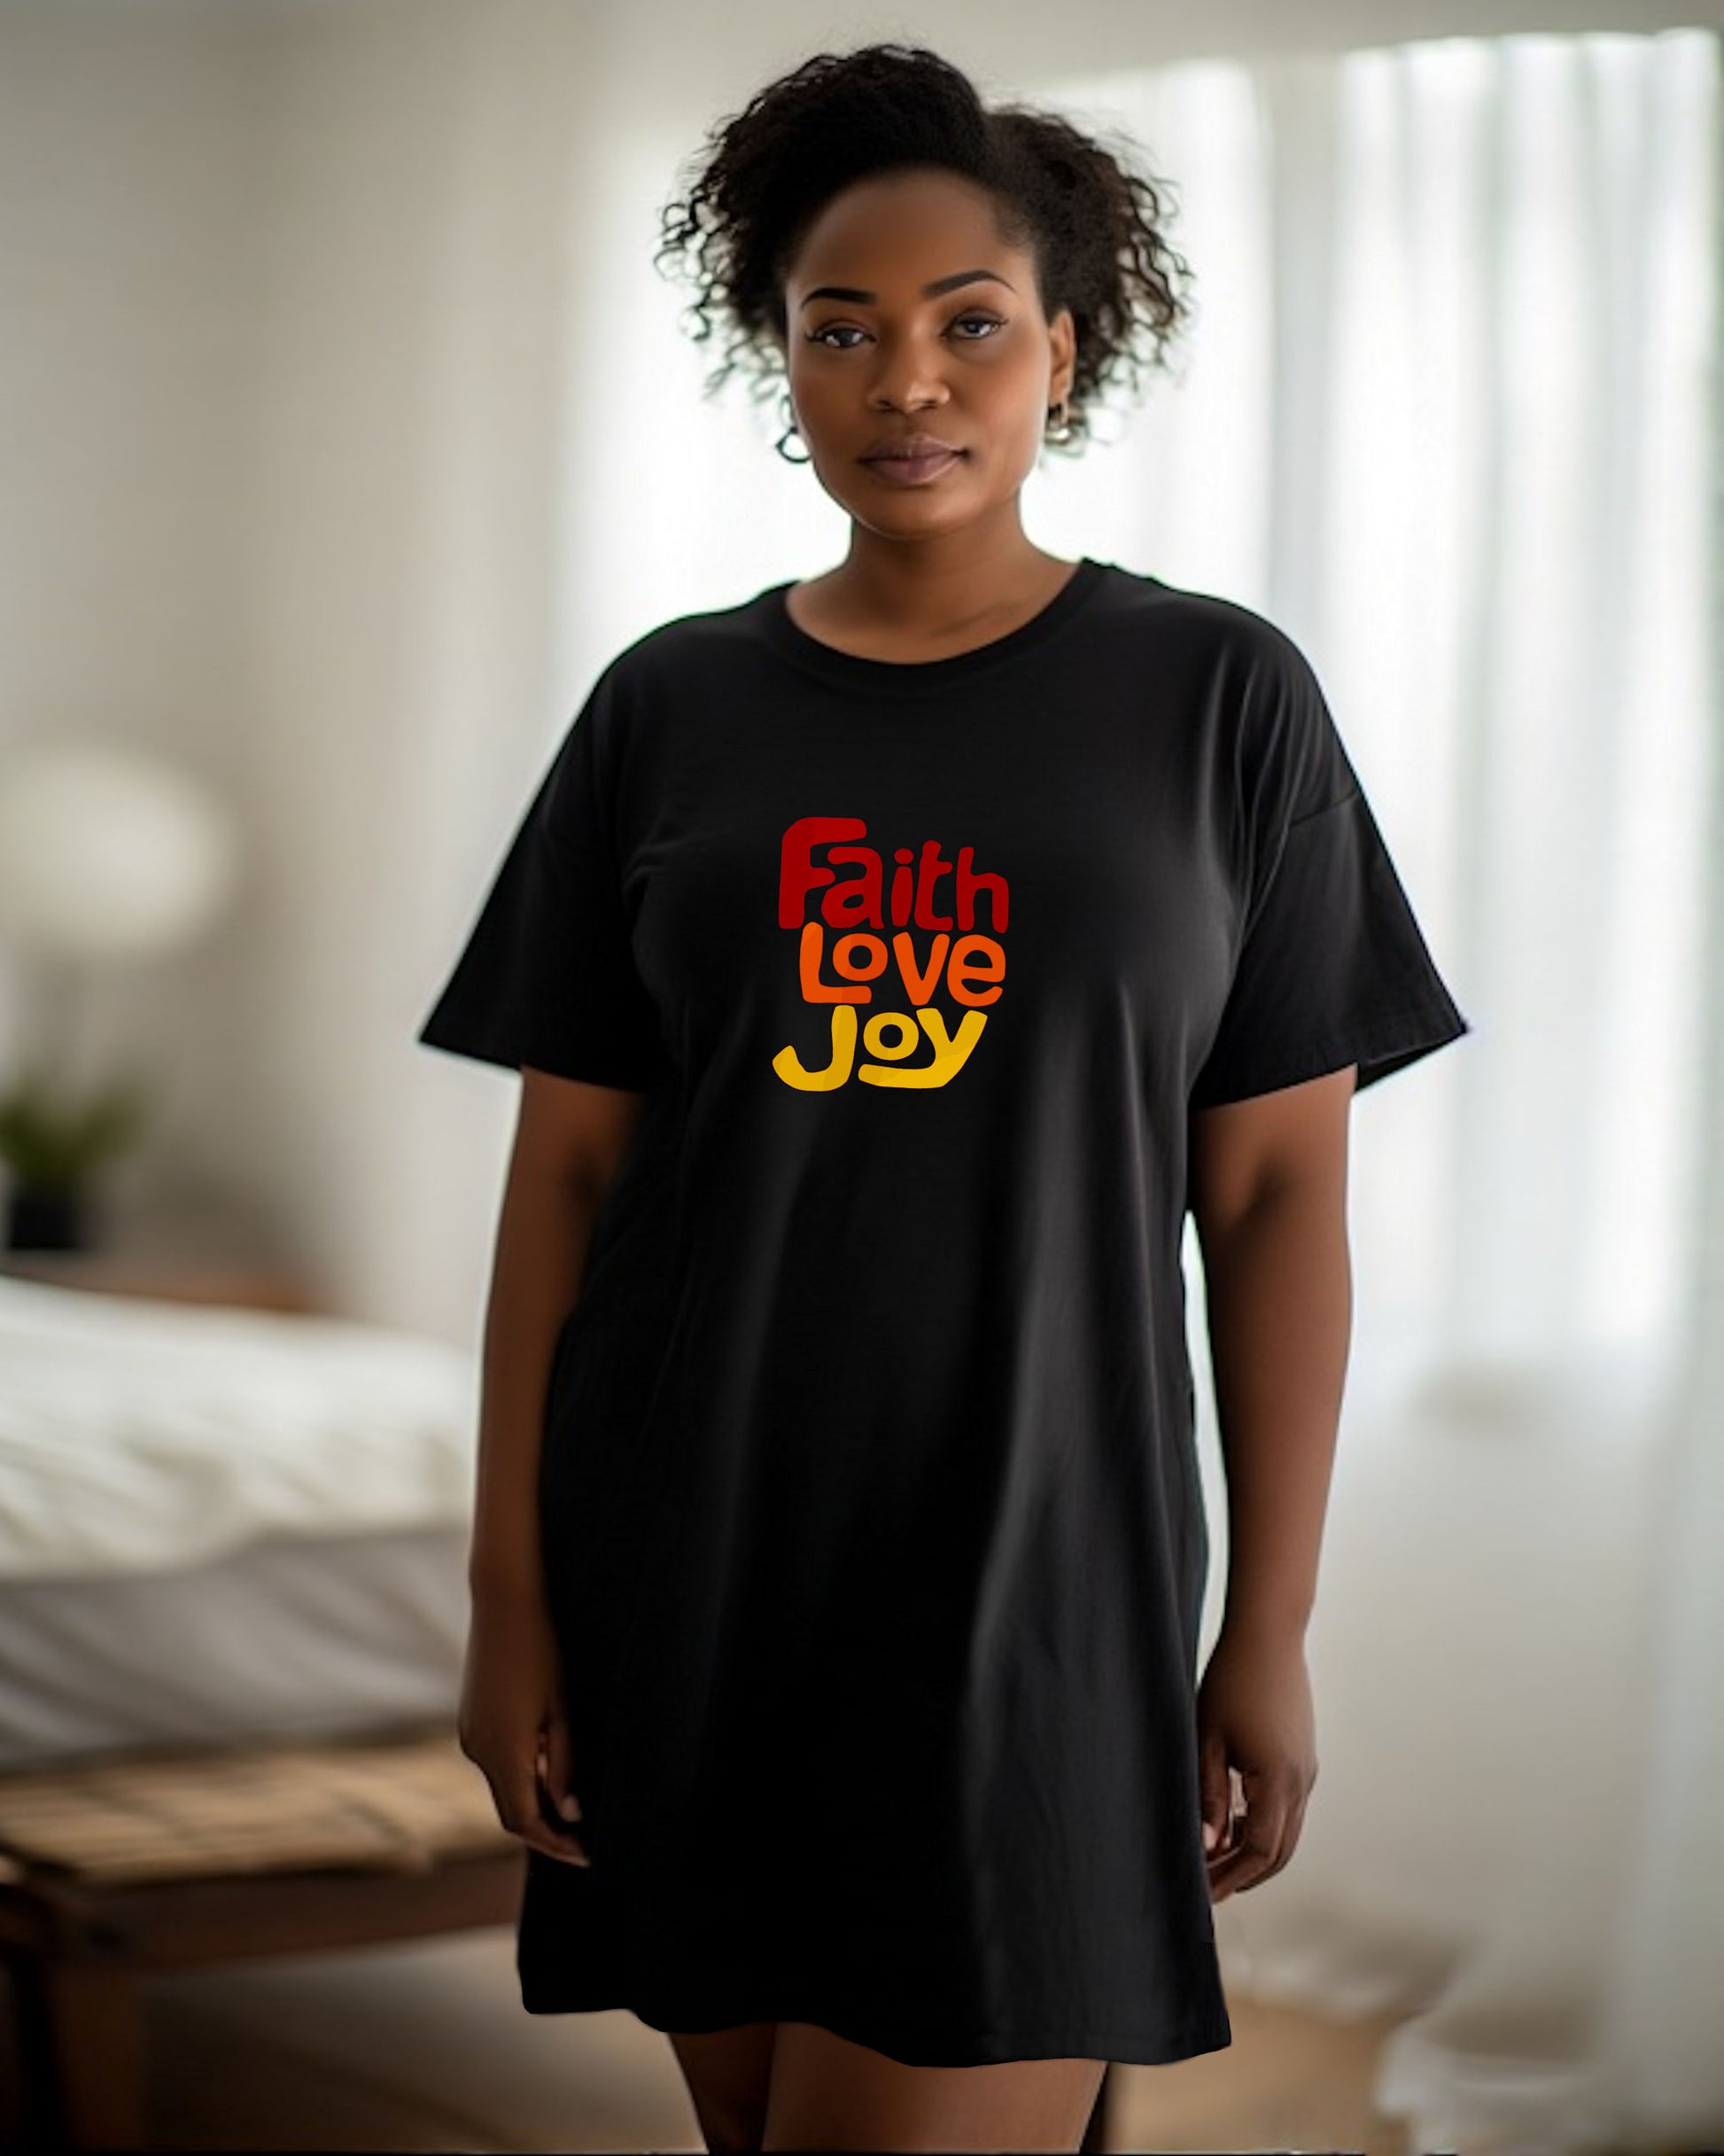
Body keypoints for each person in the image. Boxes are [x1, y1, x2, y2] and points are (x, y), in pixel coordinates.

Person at [415, 39, 1472, 2156]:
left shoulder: (1218, 697)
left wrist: (1265, 1625)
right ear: (780, 362)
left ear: (1063, 351)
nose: (907, 380)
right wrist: (510, 1601)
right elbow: (569, 1180)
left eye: (969, 323)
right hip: (691, 1560)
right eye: (843, 329)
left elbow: (1277, 1195)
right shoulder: (667, 705)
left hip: (1042, 1578)